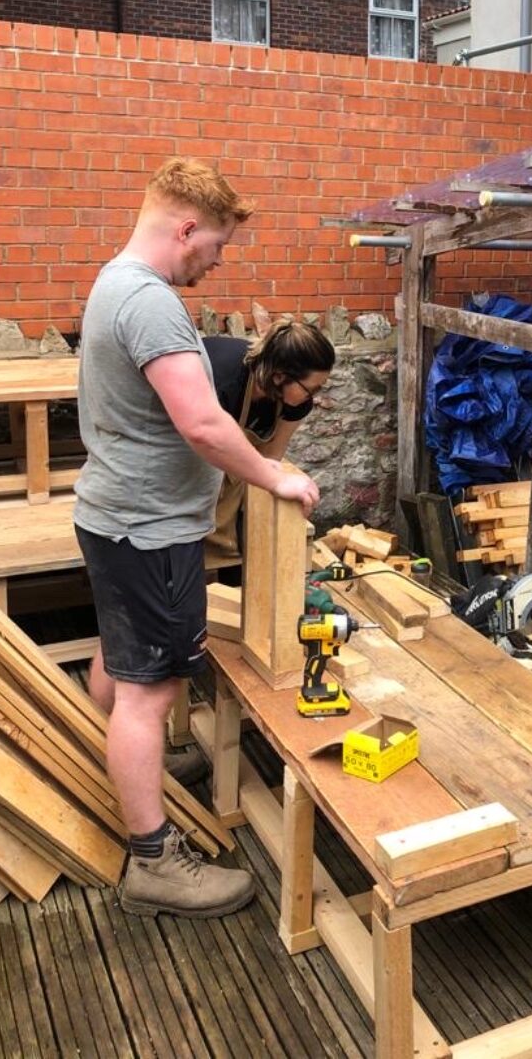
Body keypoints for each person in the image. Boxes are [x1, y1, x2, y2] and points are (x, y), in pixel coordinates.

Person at [74, 156, 321, 918]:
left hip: (120, 518)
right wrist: (275, 477)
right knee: (151, 691)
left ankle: (124, 766)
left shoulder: (114, 282)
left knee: (125, 664)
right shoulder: (148, 300)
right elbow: (204, 423)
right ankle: (154, 860)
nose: (217, 262)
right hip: (148, 528)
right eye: (215, 245)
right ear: (185, 228)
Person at [203, 319, 336, 558]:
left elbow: (270, 458)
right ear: (278, 377)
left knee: (236, 547)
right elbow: (204, 451)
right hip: (185, 458)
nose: (313, 397)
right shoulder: (224, 382)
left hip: (228, 475)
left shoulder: (296, 402)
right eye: (310, 389)